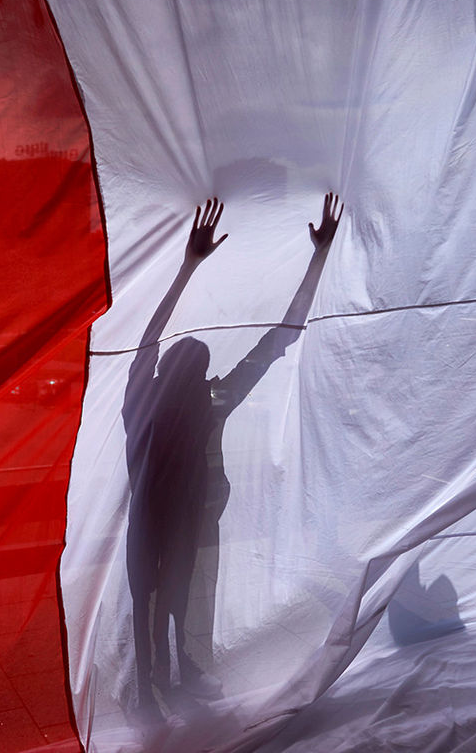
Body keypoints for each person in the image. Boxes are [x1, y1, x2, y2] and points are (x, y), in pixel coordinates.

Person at [122, 193, 342, 714]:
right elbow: (278, 341)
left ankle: (160, 684)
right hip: (186, 522)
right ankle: (165, 680)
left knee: (157, 600)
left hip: (160, 522)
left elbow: (150, 340)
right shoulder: (208, 402)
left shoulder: (145, 398)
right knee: (174, 598)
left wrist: (189, 267)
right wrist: (318, 258)